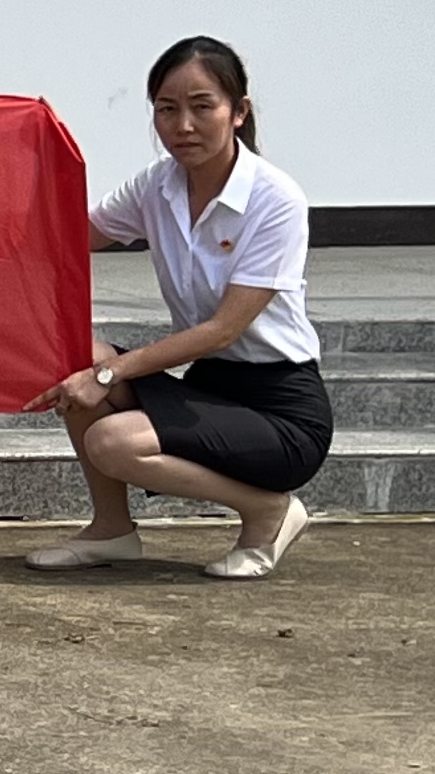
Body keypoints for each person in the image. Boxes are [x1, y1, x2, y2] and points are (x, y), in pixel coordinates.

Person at [26, 37, 330, 581]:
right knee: (76, 356)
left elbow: (222, 330)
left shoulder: (275, 200)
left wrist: (110, 373)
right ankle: (111, 530)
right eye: (167, 109)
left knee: (112, 439)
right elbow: (68, 238)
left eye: (202, 106)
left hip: (280, 409)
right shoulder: (157, 185)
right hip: (210, 387)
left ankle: (268, 511)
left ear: (238, 112)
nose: (183, 125)